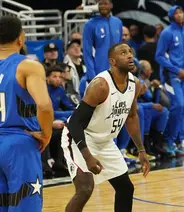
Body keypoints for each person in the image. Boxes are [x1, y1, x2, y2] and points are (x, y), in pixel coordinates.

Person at [62, 43, 150, 212]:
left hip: (105, 141)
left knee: (126, 188)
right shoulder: (101, 86)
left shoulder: (135, 84)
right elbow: (74, 123)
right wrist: (87, 156)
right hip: (79, 138)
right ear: (113, 61)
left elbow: (131, 117)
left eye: (130, 52)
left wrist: (141, 150)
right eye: (123, 53)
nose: (130, 55)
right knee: (85, 189)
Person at [0, 16, 54, 212]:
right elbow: (44, 106)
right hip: (18, 144)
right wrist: (46, 134)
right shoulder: (27, 66)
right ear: (21, 38)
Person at [155, 5, 184, 156]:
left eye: (181, 11)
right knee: (177, 105)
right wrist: (177, 71)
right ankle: (168, 141)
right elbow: (159, 56)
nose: (179, 14)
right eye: (176, 13)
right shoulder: (167, 33)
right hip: (171, 76)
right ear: (171, 16)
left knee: (183, 107)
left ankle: (180, 141)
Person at [82, 0, 123, 80]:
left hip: (117, 71)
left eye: (105, 4)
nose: (103, 6)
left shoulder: (118, 22)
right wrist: (92, 76)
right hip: (99, 72)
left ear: (111, 5)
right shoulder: (90, 25)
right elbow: (87, 53)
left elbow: (120, 48)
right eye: (100, 4)